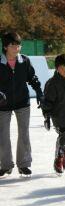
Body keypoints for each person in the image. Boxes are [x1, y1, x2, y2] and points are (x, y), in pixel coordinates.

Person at [0, 32, 44, 177]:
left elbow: (32, 77)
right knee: (3, 135)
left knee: (24, 133)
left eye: (19, 45)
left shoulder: (24, 61)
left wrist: (38, 91)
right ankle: (6, 165)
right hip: (2, 103)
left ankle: (24, 164)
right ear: (6, 46)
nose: (17, 48)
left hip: (22, 101)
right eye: (14, 45)